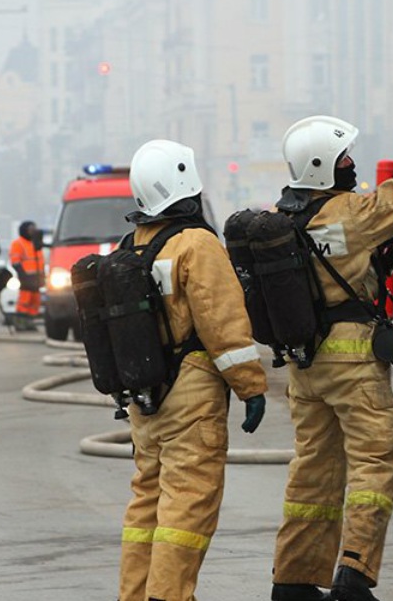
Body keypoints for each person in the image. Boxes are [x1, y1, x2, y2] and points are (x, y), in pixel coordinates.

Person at [269, 96, 393, 601]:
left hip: (305, 364)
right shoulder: (348, 213)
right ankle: (354, 575)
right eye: (345, 159)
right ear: (325, 166)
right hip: (351, 359)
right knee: (375, 459)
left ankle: (294, 580)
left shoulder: (285, 220)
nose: (352, 166)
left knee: (313, 471)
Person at [118, 139, 269, 601]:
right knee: (186, 509)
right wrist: (251, 387)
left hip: (146, 395)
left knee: (146, 506)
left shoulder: (133, 245)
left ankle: (136, 595)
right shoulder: (196, 244)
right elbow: (222, 321)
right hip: (190, 397)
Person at [8, 220, 45, 331]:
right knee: (24, 301)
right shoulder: (18, 243)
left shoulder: (35, 243)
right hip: (26, 277)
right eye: (31, 229)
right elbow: (15, 261)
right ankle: (20, 323)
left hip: (37, 277)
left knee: (35, 302)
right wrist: (22, 274)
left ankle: (29, 323)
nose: (33, 232)